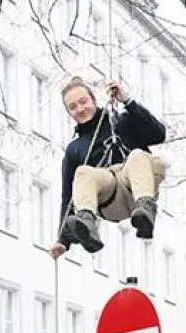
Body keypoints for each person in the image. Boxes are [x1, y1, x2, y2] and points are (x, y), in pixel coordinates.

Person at [50, 77, 167, 258]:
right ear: (69, 113)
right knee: (83, 172)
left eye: (83, 102)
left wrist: (127, 101)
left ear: (93, 100)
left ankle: (145, 209)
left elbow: (158, 134)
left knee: (136, 156)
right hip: (111, 198)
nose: (80, 109)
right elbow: (68, 196)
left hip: (137, 182)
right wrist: (62, 241)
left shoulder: (122, 121)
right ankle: (87, 222)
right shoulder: (75, 149)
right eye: (73, 107)